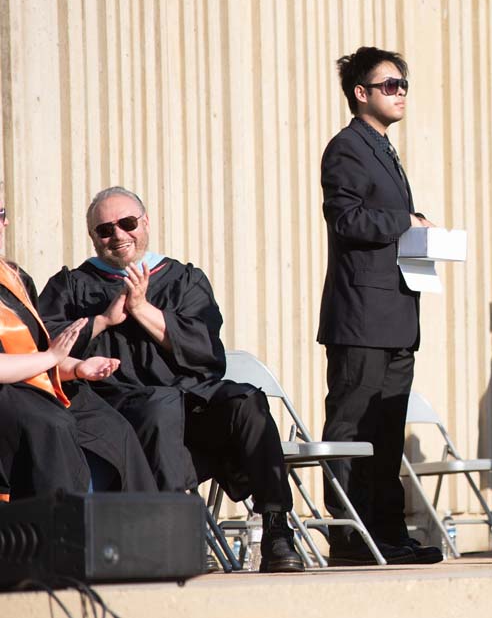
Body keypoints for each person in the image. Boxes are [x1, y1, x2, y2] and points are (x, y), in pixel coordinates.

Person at [38, 187, 304, 572]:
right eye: (105, 229)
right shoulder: (72, 286)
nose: (118, 235)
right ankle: (179, 536)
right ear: (93, 237)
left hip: (189, 401)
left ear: (145, 223)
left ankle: (278, 530)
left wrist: (141, 309)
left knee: (246, 401)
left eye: (127, 223)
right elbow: (46, 344)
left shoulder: (183, 279)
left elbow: (206, 352)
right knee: (160, 406)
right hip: (119, 405)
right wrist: (105, 320)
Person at [317, 46, 442, 565]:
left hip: (396, 316)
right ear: (361, 93)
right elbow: (345, 218)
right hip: (361, 318)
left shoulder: (383, 149)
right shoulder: (347, 147)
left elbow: (381, 215)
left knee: (388, 430)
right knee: (354, 427)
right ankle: (349, 538)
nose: (401, 93)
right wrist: (404, 223)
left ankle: (387, 535)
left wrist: (413, 222)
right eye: (390, 85)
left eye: (404, 84)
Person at [0, 209, 155, 501]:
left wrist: (79, 367)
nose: (1, 224)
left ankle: (139, 538)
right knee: (51, 426)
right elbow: (44, 358)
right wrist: (53, 359)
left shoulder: (14, 278)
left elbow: (39, 353)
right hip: (8, 395)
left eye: (0, 213)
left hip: (37, 387)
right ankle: (58, 538)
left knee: (116, 428)